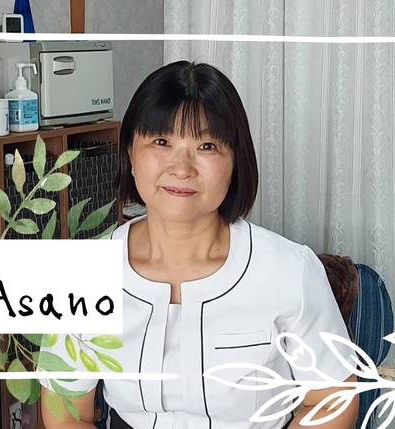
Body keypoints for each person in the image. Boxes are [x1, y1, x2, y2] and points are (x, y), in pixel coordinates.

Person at [39, 60, 359, 429]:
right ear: (130, 154)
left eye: (206, 146)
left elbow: (332, 400)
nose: (181, 168)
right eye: (161, 142)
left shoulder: (290, 271)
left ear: (235, 161)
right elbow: (66, 414)